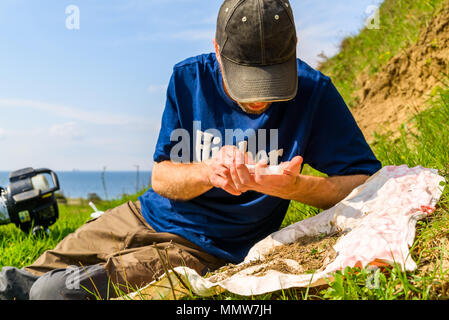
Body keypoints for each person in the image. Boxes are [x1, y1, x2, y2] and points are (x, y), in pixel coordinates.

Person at [0, 0, 381, 300]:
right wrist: (207, 172)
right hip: (143, 213)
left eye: (273, 81)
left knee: (52, 292)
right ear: (217, 51)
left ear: (294, 48)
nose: (261, 99)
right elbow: (161, 178)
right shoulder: (187, 78)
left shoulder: (315, 93)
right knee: (15, 283)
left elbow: (366, 184)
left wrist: (291, 188)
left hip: (207, 248)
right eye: (247, 83)